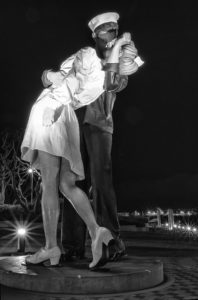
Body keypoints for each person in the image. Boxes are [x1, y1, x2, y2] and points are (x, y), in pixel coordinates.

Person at [42, 12, 143, 262]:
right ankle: (72, 247)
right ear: (95, 35)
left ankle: (113, 242)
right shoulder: (82, 57)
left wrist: (119, 51)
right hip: (72, 126)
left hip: (99, 126)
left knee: (101, 182)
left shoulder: (119, 64)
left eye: (115, 31)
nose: (112, 35)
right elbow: (52, 78)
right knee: (72, 183)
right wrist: (48, 75)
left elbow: (111, 84)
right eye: (107, 31)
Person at [21, 47, 121, 270]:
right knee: (67, 184)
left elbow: (69, 84)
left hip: (52, 109)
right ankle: (97, 231)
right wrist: (51, 75)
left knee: (48, 183)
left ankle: (50, 247)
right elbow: (60, 80)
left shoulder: (89, 57)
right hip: (68, 119)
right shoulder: (99, 77)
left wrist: (54, 103)